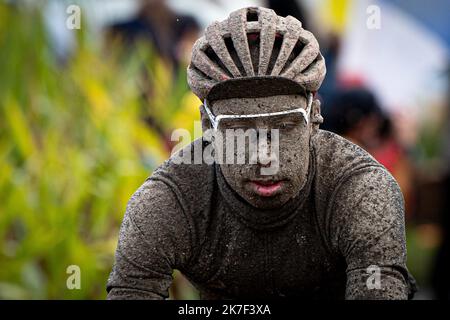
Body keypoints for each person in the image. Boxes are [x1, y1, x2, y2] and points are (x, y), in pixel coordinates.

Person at [106, 7, 416, 300]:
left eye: (285, 126)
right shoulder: (168, 202)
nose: (264, 157)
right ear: (208, 128)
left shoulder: (360, 192)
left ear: (313, 120)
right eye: (240, 130)